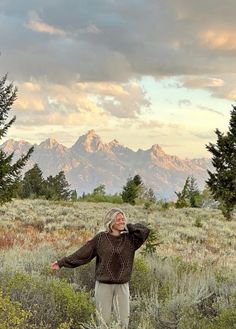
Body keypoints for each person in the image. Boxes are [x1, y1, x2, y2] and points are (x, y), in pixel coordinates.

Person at [51, 207, 150, 328]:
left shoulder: (130, 240)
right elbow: (82, 254)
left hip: (122, 286)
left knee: (124, 322)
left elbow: (144, 231)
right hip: (103, 286)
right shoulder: (100, 239)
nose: (121, 221)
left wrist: (127, 226)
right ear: (110, 221)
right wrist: (62, 262)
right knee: (103, 322)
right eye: (118, 219)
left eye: (123, 219)